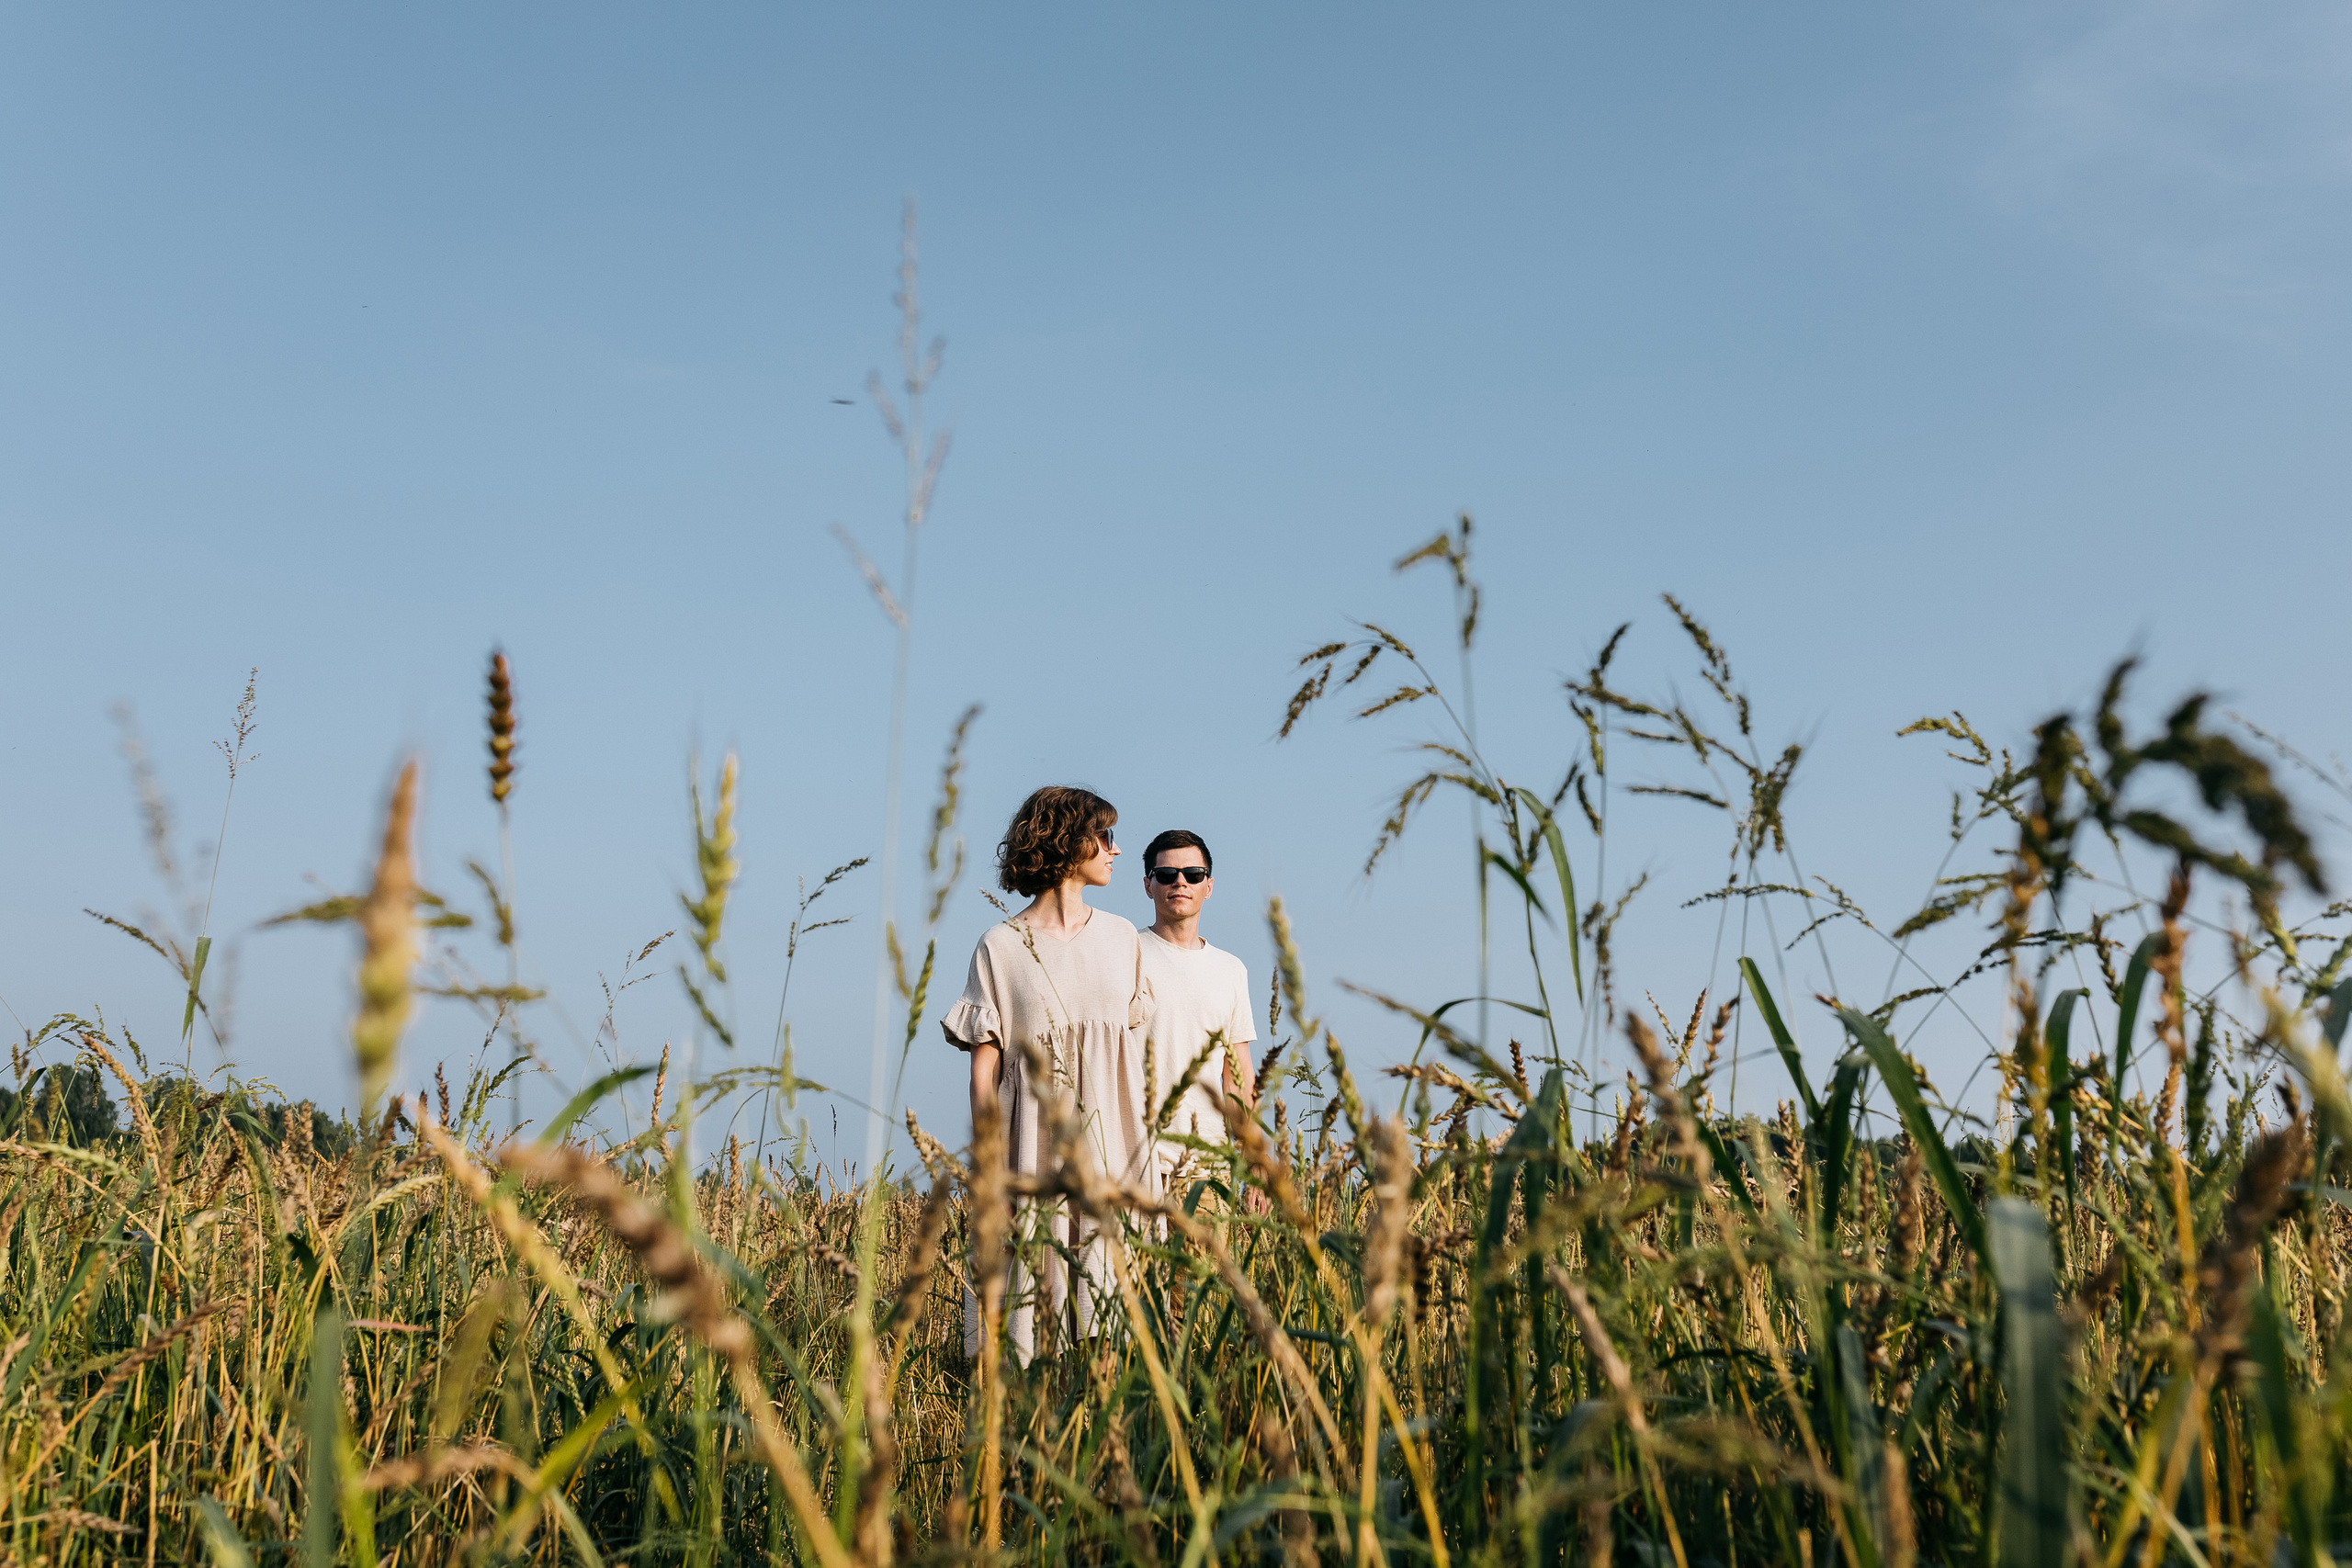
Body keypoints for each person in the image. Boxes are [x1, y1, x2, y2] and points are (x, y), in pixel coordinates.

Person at [941, 785, 1153, 1361]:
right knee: (1037, 1327)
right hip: (1032, 1156)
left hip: (1115, 1152)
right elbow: (983, 1078)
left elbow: (1134, 1064)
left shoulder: (1123, 939)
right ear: (1066, 840)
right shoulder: (1001, 947)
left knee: (1113, 1328)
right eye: (1104, 836)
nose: (1115, 849)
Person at [1134, 829, 1261, 1190]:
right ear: (1148, 885)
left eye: (1193, 875)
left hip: (1208, 1169)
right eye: (1166, 875)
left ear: (1209, 885)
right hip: (1135, 1166)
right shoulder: (1126, 952)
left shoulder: (1231, 970)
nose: (1180, 882)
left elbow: (1237, 1075)